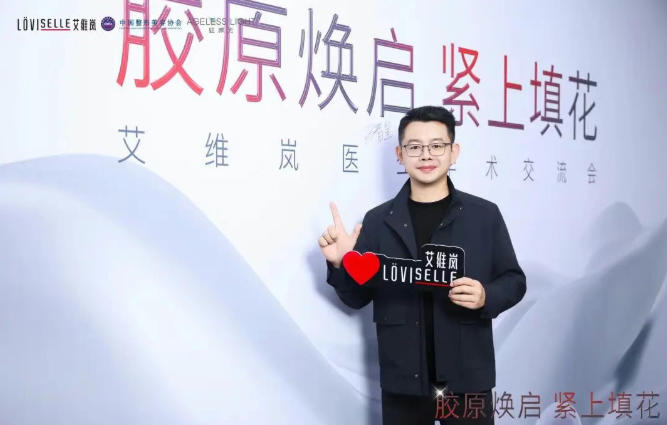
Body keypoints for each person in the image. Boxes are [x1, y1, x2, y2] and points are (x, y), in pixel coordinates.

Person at [318, 105, 527, 425]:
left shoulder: (484, 215)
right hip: (403, 380)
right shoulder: (378, 220)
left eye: (437, 145)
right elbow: (356, 298)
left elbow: (514, 280)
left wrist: (486, 296)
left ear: (454, 152)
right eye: (414, 147)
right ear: (400, 155)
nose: (426, 155)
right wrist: (340, 263)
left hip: (466, 376)